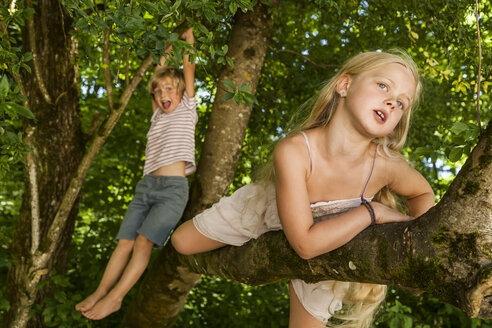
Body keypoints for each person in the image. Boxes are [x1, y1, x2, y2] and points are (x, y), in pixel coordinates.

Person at [171, 49, 435, 327]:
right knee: (182, 242)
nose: (392, 102)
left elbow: (422, 193)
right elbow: (305, 244)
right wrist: (375, 212)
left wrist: (415, 234)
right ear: (344, 85)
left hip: (330, 239)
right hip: (267, 212)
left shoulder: (386, 164)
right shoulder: (295, 150)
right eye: (383, 85)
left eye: (401, 104)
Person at [75, 27, 197, 320]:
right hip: (146, 187)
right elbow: (159, 70)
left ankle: (116, 298)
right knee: (124, 243)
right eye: (158, 91)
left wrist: (189, 39)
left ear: (181, 92)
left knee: (143, 243)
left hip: (172, 191)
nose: (163, 94)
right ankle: (100, 291)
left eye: (169, 89)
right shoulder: (157, 114)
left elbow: (187, 66)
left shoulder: (188, 107)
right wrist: (169, 42)